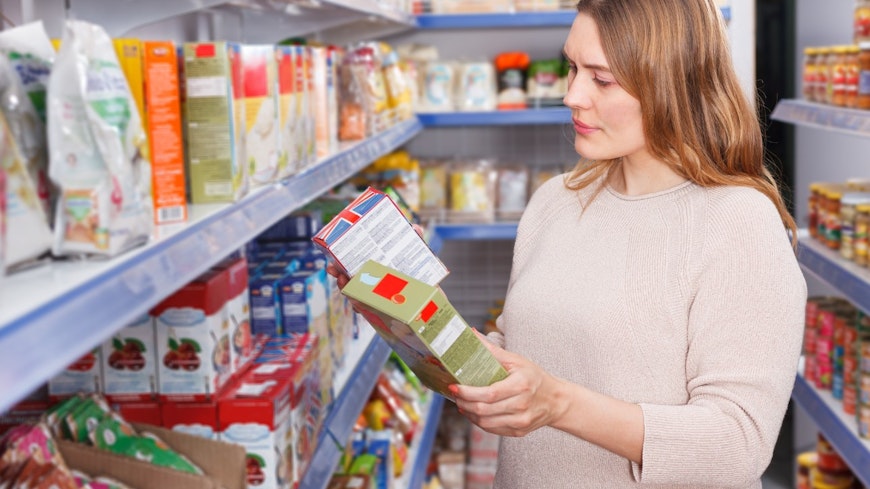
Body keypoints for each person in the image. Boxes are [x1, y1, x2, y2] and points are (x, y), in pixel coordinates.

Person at [330, 0, 806, 487]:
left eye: (602, 79)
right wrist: (401, 305)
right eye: (572, 68)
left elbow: (738, 443)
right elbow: (519, 360)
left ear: (671, 83)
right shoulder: (556, 201)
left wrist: (557, 403)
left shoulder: (738, 223)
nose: (572, 95)